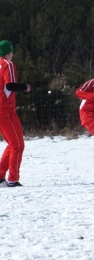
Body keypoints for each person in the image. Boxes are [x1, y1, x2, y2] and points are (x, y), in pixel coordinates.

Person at [0, 40, 31, 187]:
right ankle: (12, 179)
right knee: (17, 145)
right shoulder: (8, 64)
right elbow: (10, 85)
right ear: (9, 52)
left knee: (13, 144)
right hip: (5, 110)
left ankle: (0, 176)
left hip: (5, 111)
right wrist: (25, 87)